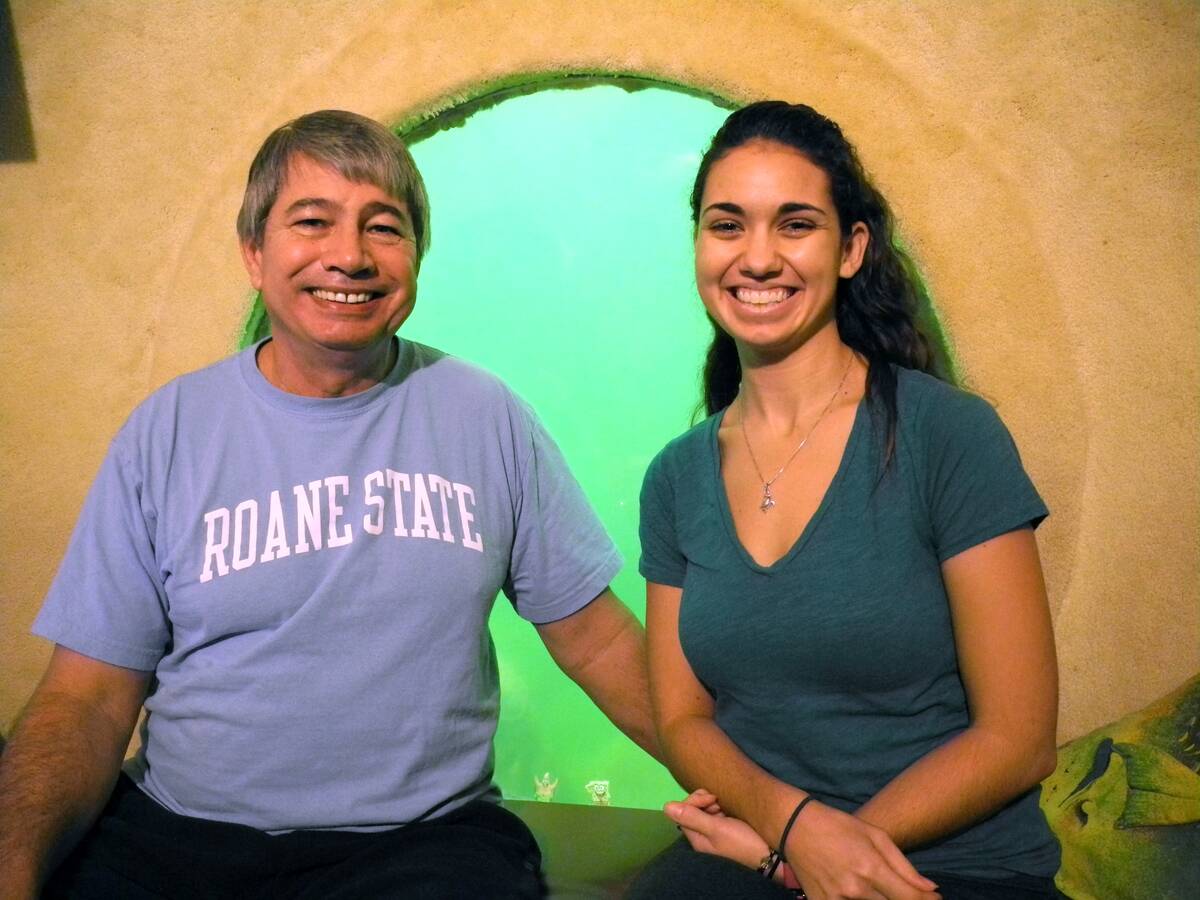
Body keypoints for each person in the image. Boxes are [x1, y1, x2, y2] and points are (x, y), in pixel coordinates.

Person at [0, 110, 657, 900]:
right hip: (178, 841)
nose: (349, 256)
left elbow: (598, 643)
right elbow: (87, 698)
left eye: (385, 227)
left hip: (422, 845)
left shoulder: (486, 417)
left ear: (416, 255)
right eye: (312, 222)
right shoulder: (167, 432)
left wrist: (767, 799)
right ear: (255, 251)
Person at [629, 101, 1061, 900]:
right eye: (728, 225)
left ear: (852, 248)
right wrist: (794, 831)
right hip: (758, 855)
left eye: (795, 225)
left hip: (947, 869)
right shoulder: (675, 477)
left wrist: (816, 852)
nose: (757, 258)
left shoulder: (949, 435)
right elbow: (683, 720)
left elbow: (1019, 738)